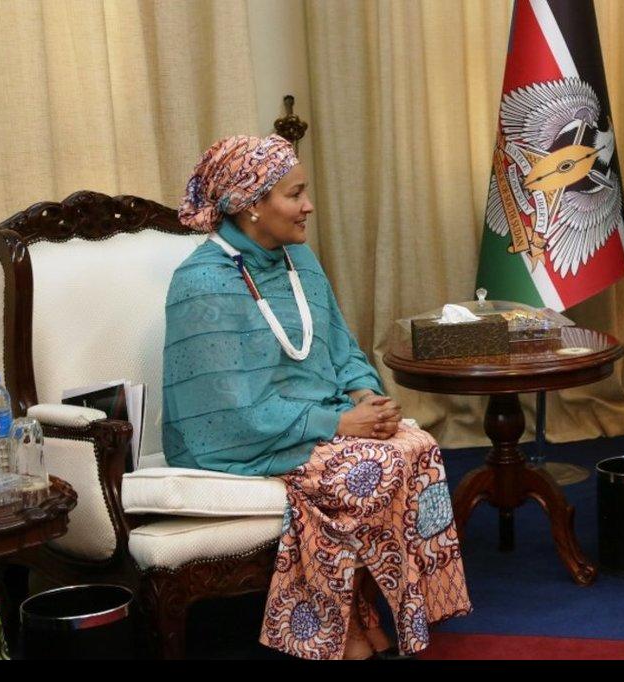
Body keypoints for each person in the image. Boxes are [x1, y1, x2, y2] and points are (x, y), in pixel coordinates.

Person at [163, 134, 471, 660]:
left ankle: (368, 620)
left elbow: (341, 347)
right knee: (372, 469)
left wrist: (368, 398)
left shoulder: (298, 261)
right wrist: (340, 425)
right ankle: (339, 632)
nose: (308, 206)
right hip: (238, 441)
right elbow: (230, 411)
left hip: (320, 419)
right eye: (294, 194)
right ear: (251, 204)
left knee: (417, 446)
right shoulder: (202, 282)